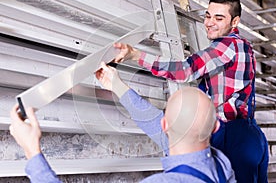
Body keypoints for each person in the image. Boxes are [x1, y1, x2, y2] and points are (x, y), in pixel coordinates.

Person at [112, 0, 268, 183]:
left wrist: (136, 56)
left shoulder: (225, 46)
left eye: (219, 18)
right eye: (208, 15)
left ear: (234, 22)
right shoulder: (244, 45)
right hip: (252, 136)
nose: (210, 22)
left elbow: (184, 70)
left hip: (231, 136)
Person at [9, 62, 236, 183]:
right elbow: (163, 126)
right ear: (215, 127)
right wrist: (117, 86)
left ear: (166, 126)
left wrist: (32, 151)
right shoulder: (222, 167)